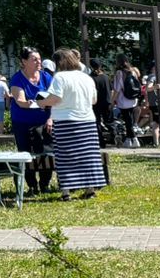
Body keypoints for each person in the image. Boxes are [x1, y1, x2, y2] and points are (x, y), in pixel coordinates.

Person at [30, 48, 106, 200]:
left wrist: (41, 102)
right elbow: (94, 100)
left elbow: (56, 99)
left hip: (65, 121)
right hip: (87, 121)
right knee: (88, 156)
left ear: (59, 62)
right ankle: (90, 188)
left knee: (65, 157)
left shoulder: (60, 77)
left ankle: (66, 191)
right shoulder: (86, 78)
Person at [7, 47, 53, 192]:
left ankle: (45, 184)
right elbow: (20, 101)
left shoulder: (46, 77)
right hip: (22, 122)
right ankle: (32, 185)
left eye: (39, 59)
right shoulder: (17, 79)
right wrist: (37, 103)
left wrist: (50, 118)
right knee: (26, 154)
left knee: (46, 152)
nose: (38, 62)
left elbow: (55, 99)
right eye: (34, 59)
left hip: (44, 121)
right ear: (24, 62)